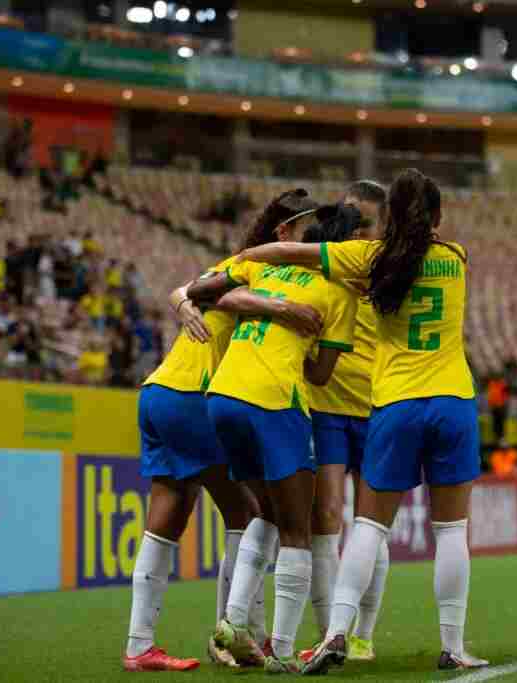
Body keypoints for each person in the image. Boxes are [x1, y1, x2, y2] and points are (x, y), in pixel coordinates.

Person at [234, 168, 488, 673]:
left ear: (388, 216)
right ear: (437, 217)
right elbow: (424, 247)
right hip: (452, 401)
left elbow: (287, 253)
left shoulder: (369, 258)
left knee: (369, 526)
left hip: (394, 404)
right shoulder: (456, 259)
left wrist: (246, 258)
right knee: (452, 530)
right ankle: (453, 646)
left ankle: (335, 633)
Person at [121, 189, 329, 673]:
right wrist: (278, 310)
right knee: (252, 512)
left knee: (169, 513)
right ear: (284, 233)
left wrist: (182, 300)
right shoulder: (264, 269)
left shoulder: (242, 266)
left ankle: (139, 644)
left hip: (159, 392)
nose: (316, 246)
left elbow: (188, 287)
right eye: (307, 233)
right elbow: (200, 291)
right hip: (196, 394)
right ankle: (234, 632)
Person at [190, 206, 361, 674]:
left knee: (262, 514)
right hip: (274, 400)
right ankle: (281, 651)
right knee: (297, 529)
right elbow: (322, 375)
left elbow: (203, 292)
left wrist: (260, 307)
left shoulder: (269, 267)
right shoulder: (341, 291)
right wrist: (296, 344)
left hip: (223, 395)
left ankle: (232, 622)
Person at [300, 181, 390, 664]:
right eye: (352, 220)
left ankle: (363, 634)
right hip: (328, 404)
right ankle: (328, 631)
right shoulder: (325, 260)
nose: (358, 232)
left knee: (371, 524)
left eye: (368, 223)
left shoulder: (388, 268)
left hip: (377, 406)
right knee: (328, 516)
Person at [486, 373, 509, 445]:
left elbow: (505, 395)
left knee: (500, 423)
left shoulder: (502, 385)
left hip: (500, 407)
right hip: (494, 407)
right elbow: (490, 395)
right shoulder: (492, 384)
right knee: (495, 423)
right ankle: (496, 438)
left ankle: (501, 438)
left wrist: (503, 404)